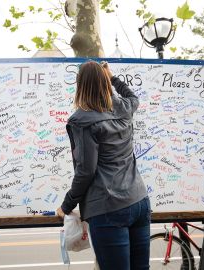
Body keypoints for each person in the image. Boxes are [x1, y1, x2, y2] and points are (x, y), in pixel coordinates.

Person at [57, 60, 151, 270]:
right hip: (139, 201)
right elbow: (133, 97)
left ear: (80, 85)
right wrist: (113, 77)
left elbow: (86, 170)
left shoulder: (81, 120)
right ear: (105, 82)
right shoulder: (124, 108)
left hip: (108, 208)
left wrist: (67, 205)